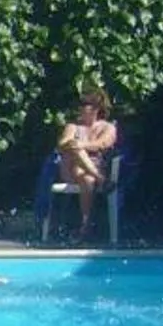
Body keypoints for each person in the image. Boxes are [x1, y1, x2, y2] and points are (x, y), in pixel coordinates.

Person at [54, 91, 118, 236]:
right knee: (75, 150)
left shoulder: (108, 127)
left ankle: (85, 224)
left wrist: (81, 145)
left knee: (87, 178)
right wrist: (77, 145)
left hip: (93, 168)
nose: (81, 108)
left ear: (96, 108)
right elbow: (62, 144)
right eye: (80, 105)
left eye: (85, 105)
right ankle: (102, 179)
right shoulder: (72, 127)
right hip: (71, 168)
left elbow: (103, 144)